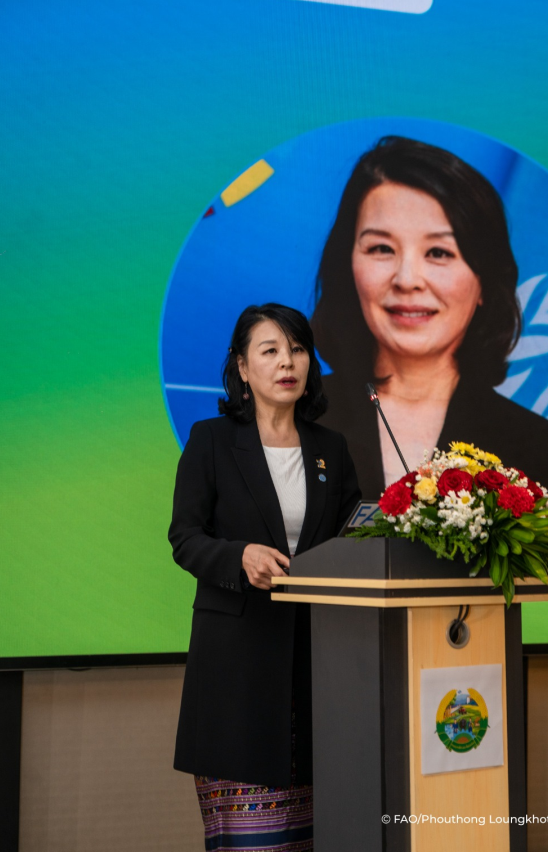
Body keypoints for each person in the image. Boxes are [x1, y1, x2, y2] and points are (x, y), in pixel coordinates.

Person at [168, 302, 361, 852]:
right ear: (242, 367)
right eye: (270, 350)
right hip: (238, 666)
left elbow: (353, 538)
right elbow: (185, 537)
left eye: (297, 350)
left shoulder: (331, 448)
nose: (287, 363)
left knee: (321, 831)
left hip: (318, 663)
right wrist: (240, 556)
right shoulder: (211, 440)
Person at [311, 136, 548, 516]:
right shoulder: (289, 420)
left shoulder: (538, 447)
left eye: (438, 252)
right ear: (348, 266)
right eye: (381, 249)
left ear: (485, 281)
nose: (407, 280)